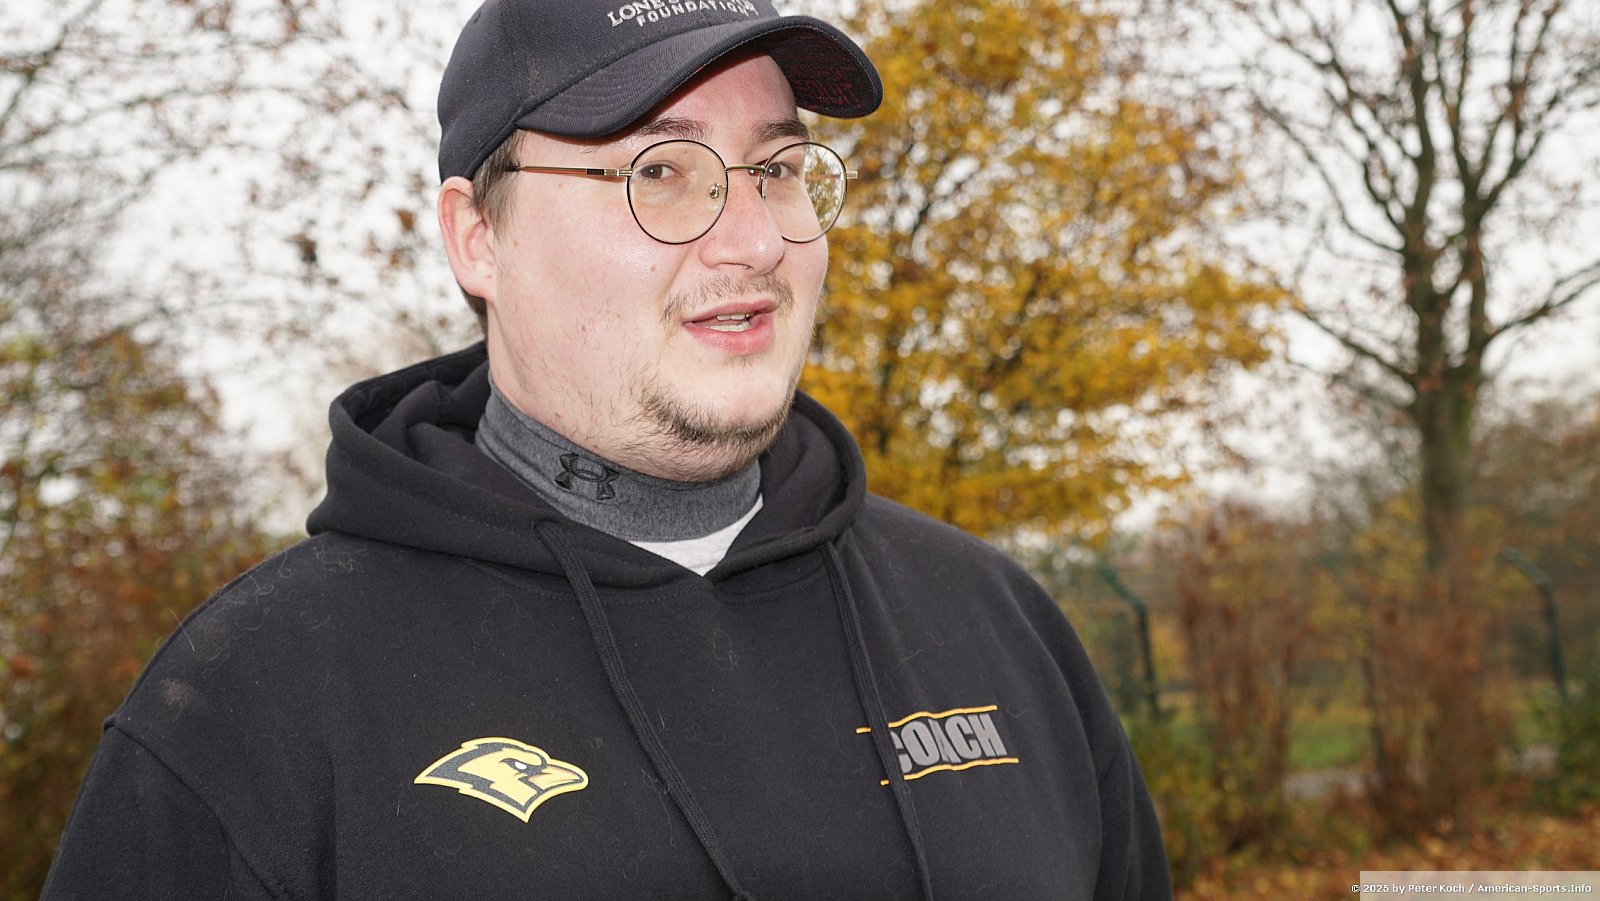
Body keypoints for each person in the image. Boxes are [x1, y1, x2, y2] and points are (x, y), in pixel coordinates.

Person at [44, 0, 1171, 897]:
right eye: (659, 171)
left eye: (778, 169)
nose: (753, 240)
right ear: (477, 237)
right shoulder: (254, 701)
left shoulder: (997, 628)